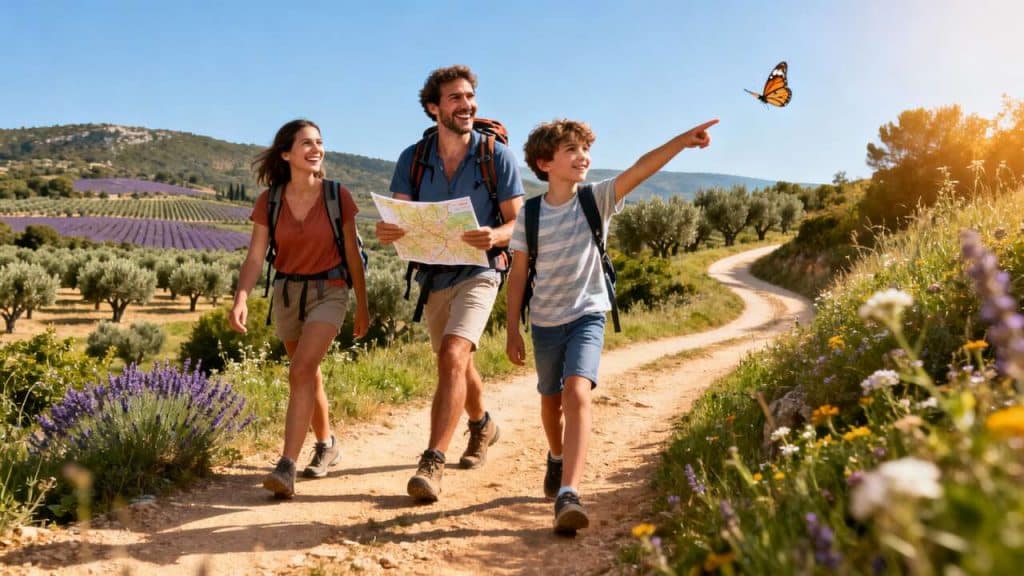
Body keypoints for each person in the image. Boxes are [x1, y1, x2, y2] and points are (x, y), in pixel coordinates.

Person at [505, 117, 718, 533]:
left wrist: (680, 139)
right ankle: (556, 454)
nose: (583, 157)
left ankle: (569, 493)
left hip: (587, 314)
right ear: (545, 163)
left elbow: (641, 168)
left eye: (586, 149)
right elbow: (517, 276)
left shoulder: (596, 199)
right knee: (550, 402)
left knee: (576, 391)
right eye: (571, 150)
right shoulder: (529, 215)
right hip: (545, 322)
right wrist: (513, 328)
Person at [376, 65, 525, 502]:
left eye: (470, 96)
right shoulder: (413, 159)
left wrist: (495, 235)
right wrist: (390, 231)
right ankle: (482, 425)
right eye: (456, 98)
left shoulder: (495, 156)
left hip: (482, 270)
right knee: (454, 362)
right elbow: (400, 215)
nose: (467, 105)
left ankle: (432, 462)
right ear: (433, 108)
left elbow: (519, 222)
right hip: (434, 275)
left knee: (454, 353)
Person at [230, 119, 369, 498]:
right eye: (306, 143)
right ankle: (327, 444)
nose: (316, 149)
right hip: (288, 294)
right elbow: (256, 257)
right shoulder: (269, 201)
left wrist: (363, 305)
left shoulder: (338, 196)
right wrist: (241, 296)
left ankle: (286, 465)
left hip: (331, 289)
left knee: (301, 369)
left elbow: (354, 256)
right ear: (287, 154)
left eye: (320, 142)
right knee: (308, 374)